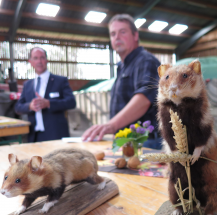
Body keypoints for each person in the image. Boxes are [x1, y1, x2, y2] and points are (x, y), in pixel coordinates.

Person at [82, 14, 162, 149]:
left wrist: (112, 125)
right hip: (127, 142)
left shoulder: (145, 61)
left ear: (135, 36)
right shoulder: (121, 66)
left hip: (146, 142)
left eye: (122, 32)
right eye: (113, 34)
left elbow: (144, 99)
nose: (117, 37)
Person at [15, 47, 76, 142]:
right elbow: (18, 107)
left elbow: (71, 102)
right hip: (34, 136)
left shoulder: (60, 81)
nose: (39, 61)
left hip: (55, 135)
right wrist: (30, 106)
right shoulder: (27, 85)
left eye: (42, 57)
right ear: (30, 62)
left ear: (47, 60)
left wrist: (49, 103)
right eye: (35, 58)